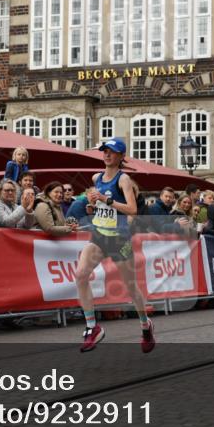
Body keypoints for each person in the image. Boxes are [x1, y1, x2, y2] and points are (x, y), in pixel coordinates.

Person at [74, 139, 155, 354]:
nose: (107, 155)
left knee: (131, 288)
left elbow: (132, 210)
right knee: (81, 275)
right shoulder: (96, 178)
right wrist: (93, 206)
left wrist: (106, 200)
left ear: (121, 156)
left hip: (119, 240)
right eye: (105, 151)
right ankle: (92, 327)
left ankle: (145, 325)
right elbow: (100, 205)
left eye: (112, 152)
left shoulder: (124, 179)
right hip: (99, 235)